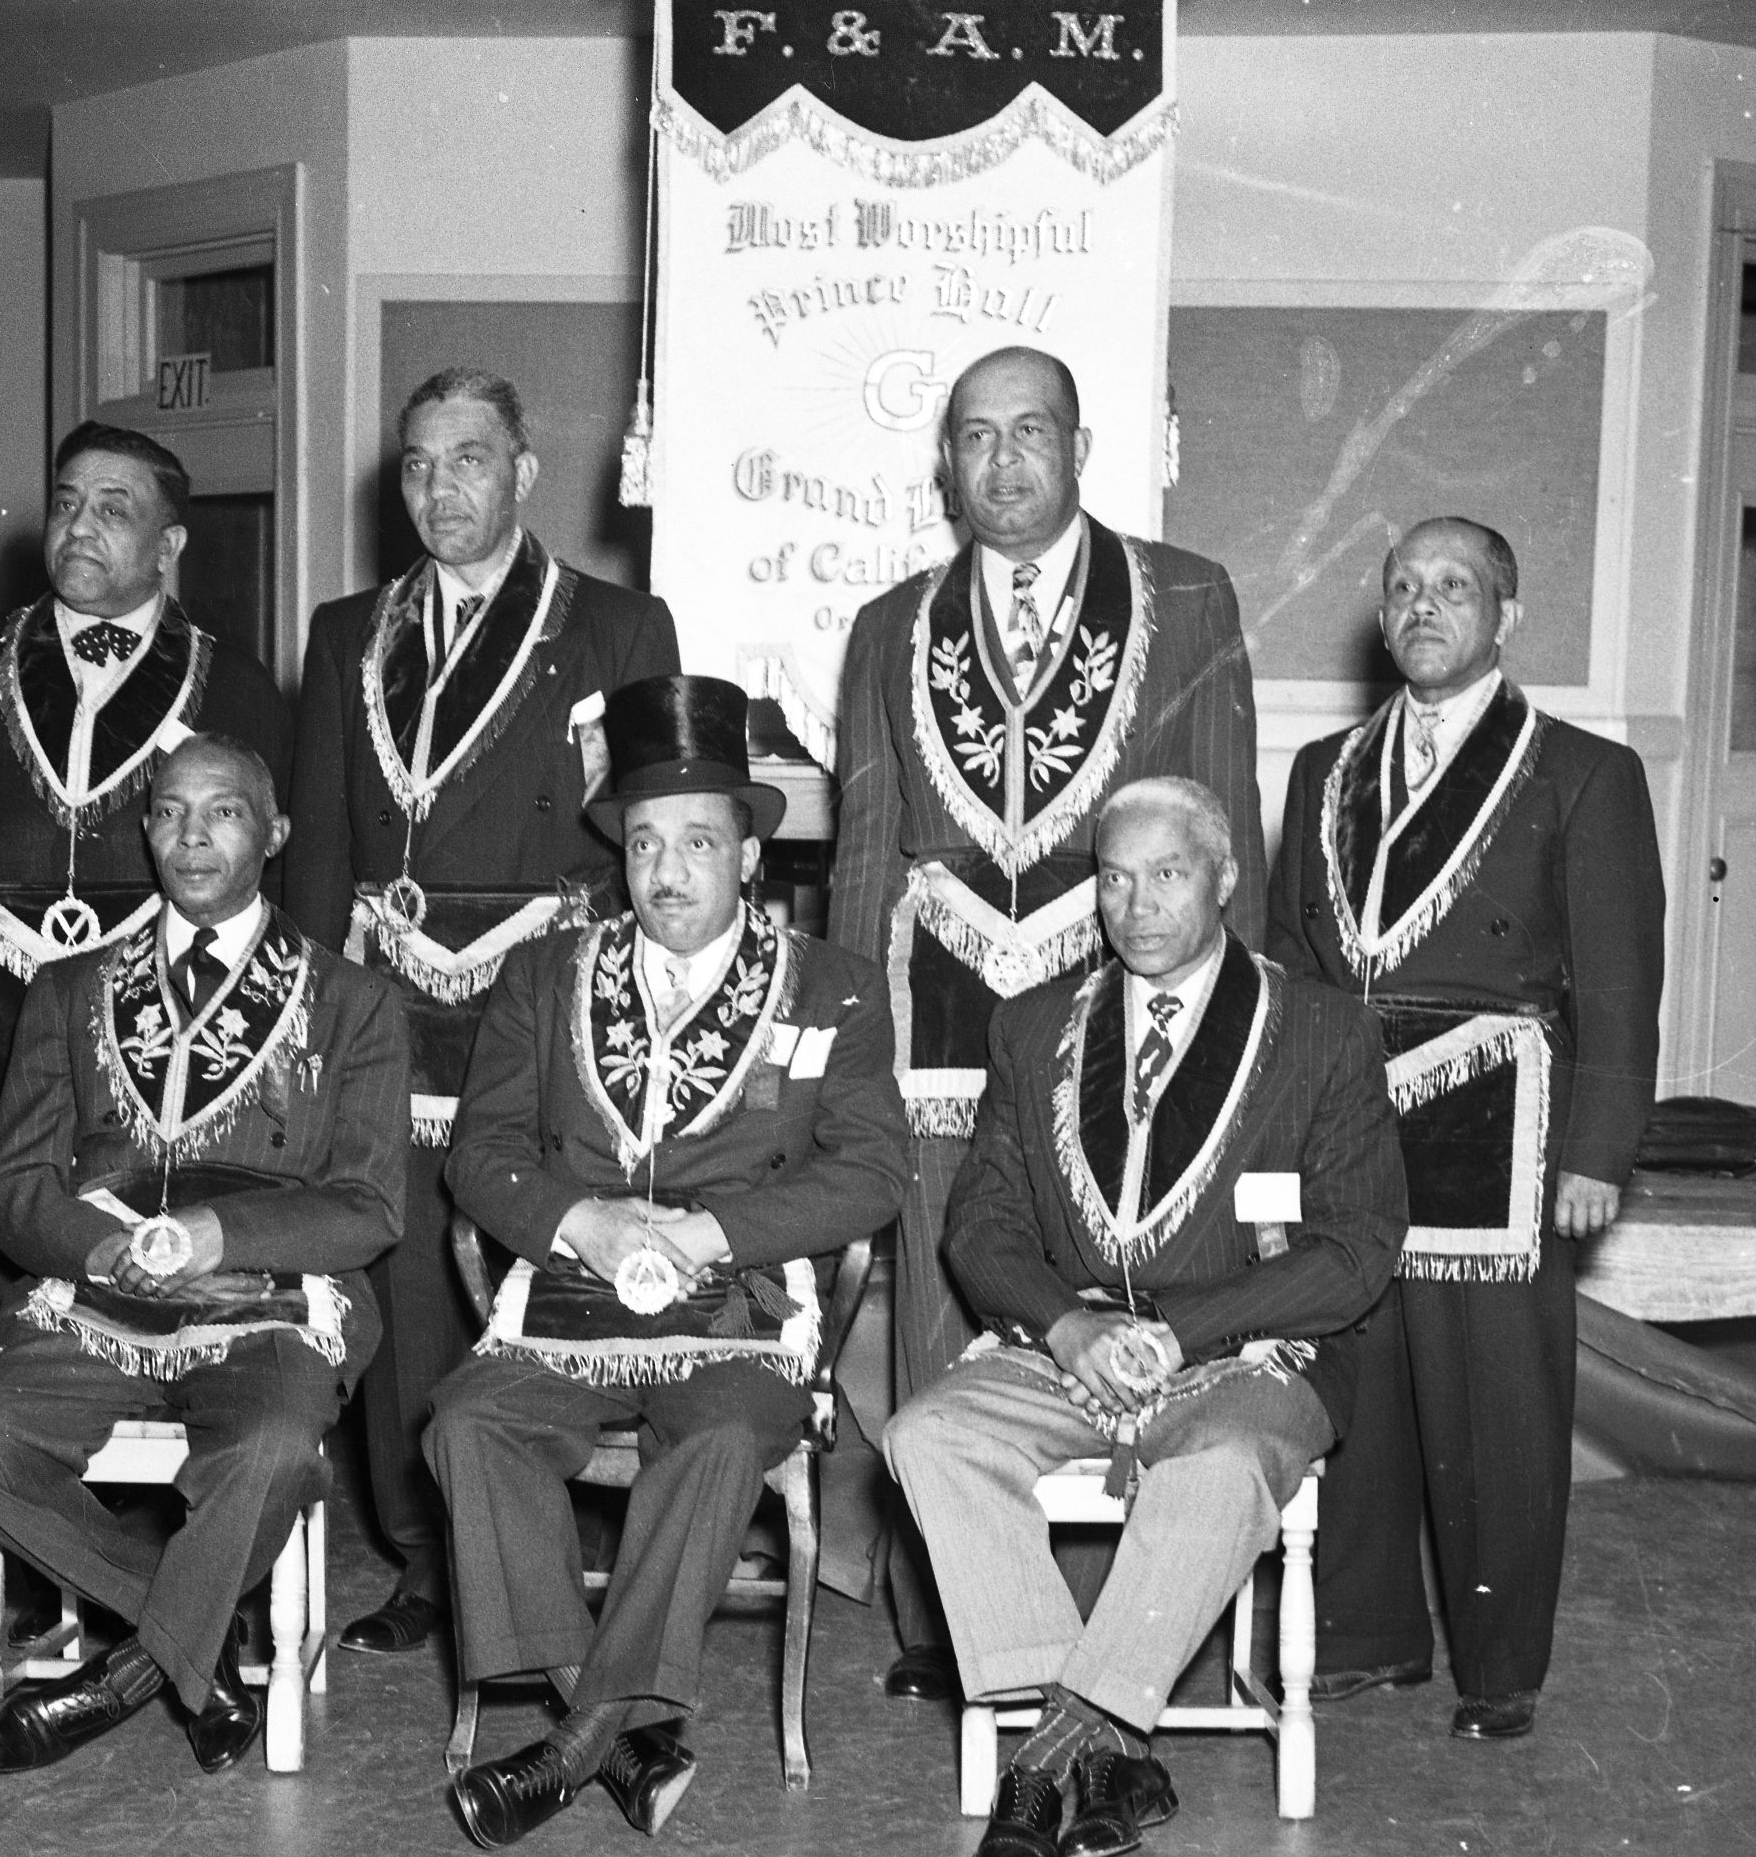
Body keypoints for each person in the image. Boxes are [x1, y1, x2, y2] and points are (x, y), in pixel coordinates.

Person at [827, 345, 1266, 1700]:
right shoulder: (888, 622)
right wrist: (846, 1059)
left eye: (1030, 432)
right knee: (939, 1288)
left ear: (1079, 447)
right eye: (973, 436)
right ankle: (946, 1626)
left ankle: (1131, 1621)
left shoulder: (1182, 594)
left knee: (1136, 1281)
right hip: (935, 1002)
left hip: (1127, 1007)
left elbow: (1222, 822)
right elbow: (861, 846)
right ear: (942, 462)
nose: (1003, 460)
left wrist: (1232, 1034)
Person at [426, 675, 907, 1847]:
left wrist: (712, 1232)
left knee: (724, 1443)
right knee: (463, 1425)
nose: (667, 870)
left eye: (699, 840)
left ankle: (574, 1739)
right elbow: (480, 1156)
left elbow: (874, 1172)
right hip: (571, 1297)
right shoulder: (546, 976)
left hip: (735, 1302)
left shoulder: (832, 985)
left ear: (749, 854)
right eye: (644, 842)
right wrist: (579, 1221)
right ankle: (616, 1728)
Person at [884, 777, 1405, 1857]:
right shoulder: (1034, 1026)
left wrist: (1177, 1329)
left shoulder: (1317, 1027)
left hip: (1244, 1352)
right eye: (1113, 879)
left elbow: (1356, 1250)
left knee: (1216, 1470)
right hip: (1067, 1339)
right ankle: (1111, 1759)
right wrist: (1068, 1329)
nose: (1136, 906)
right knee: (926, 1433)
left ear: (1221, 879)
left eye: (1166, 874)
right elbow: (980, 1229)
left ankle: (1042, 1761)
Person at [283, 366, 679, 1656]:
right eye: (416, 463)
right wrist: (308, 1004)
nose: (439, 487)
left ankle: (565, 1539)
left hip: (540, 988)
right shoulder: (351, 628)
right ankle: (425, 1555)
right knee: (397, 1261)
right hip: (387, 988)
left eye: (467, 459)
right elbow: (325, 841)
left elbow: (640, 831)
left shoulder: (617, 622)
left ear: (520, 472)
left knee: (544, 1260)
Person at [0, 733, 408, 1775]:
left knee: (275, 1446)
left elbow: (370, 1207)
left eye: (225, 811)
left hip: (276, 1289)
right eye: (168, 812)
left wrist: (221, 1233)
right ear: (144, 827)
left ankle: (125, 1675)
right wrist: (105, 1249)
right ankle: (192, 1641)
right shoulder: (71, 986)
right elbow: (13, 1186)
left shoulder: (351, 998)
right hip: (100, 1285)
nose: (191, 835)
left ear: (275, 833)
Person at [1266, 515, 1665, 1741]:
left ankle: (1498, 1666)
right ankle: (1367, 1635)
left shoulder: (1582, 770)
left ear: (1506, 615)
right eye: (1402, 587)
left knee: (1494, 1399)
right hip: (1347, 1113)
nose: (1422, 606)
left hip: (1501, 1118)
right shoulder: (1323, 766)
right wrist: (1270, 1134)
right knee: (1357, 1380)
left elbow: (1615, 980)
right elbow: (1286, 963)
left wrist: (1598, 1150)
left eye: (1453, 587)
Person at [0, 423, 290, 1349]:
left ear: (169, 544)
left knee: (148, 1242)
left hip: (162, 1005)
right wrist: (3, 937)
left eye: (114, 509)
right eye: (68, 504)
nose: (81, 526)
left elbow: (262, 866)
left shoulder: (230, 678)